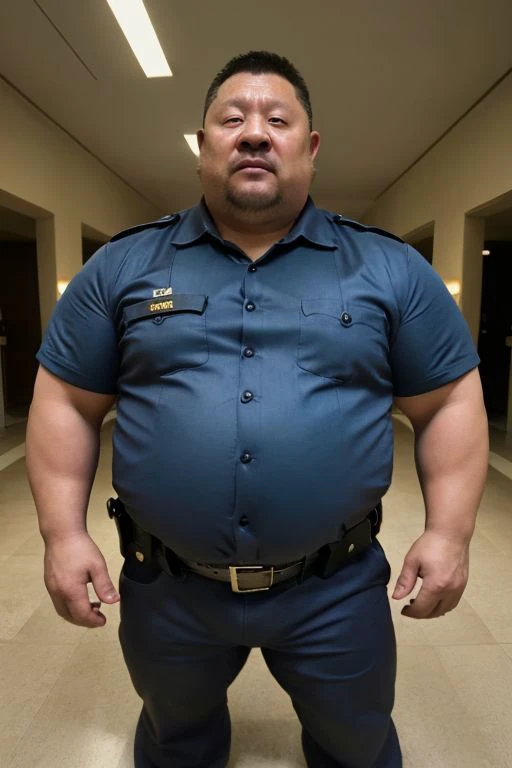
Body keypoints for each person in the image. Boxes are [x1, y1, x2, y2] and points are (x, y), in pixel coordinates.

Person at [26, 51, 488, 768]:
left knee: (356, 746)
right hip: (168, 588)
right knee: (177, 742)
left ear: (309, 147)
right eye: (231, 118)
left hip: (336, 588)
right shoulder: (122, 268)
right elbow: (66, 399)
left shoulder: (390, 269)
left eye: (278, 119)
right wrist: (62, 534)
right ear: (202, 144)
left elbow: (449, 399)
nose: (253, 133)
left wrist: (450, 533)